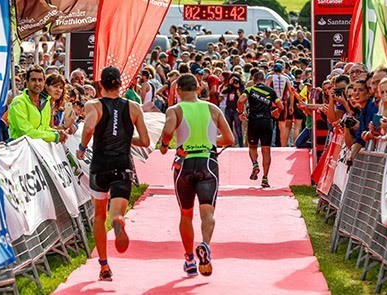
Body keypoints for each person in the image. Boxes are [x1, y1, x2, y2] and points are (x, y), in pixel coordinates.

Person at [76, 66, 150, 281]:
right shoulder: (134, 107)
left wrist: (81, 149)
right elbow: (145, 141)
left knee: (99, 216)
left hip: (100, 166)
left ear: (100, 85)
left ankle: (104, 266)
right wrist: (126, 138)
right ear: (120, 84)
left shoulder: (94, 105)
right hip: (122, 165)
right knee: (116, 211)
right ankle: (118, 219)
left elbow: (89, 129)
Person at [159, 73, 234, 277]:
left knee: (185, 213)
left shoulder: (175, 109)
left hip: (184, 164)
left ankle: (190, 260)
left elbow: (167, 131)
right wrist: (209, 140)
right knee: (207, 212)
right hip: (208, 163)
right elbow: (229, 138)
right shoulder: (212, 108)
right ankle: (206, 246)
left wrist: (165, 146)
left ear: (178, 90)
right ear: (198, 89)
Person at [238, 70, 284, 187]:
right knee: (266, 150)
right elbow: (281, 106)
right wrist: (276, 112)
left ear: (253, 80)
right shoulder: (271, 91)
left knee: (252, 147)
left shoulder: (249, 90)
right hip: (266, 122)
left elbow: (240, 101)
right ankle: (265, 178)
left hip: (254, 121)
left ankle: (255, 163)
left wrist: (240, 112)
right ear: (264, 80)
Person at [8, 65, 67, 142]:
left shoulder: (46, 102)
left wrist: (56, 132)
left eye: (40, 80)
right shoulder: (18, 102)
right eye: (33, 80)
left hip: (39, 150)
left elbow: (45, 128)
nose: (37, 83)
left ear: (44, 82)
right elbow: (26, 133)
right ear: (26, 82)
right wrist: (55, 136)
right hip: (21, 150)